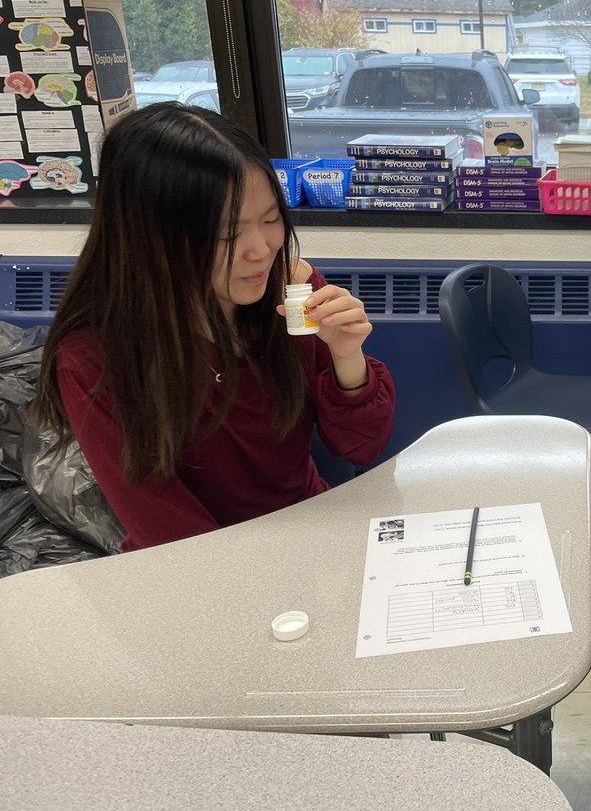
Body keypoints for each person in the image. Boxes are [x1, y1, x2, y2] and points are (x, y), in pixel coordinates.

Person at [31, 103, 397, 552]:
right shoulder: (96, 359)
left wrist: (348, 359)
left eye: (270, 219)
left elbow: (361, 449)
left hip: (308, 533)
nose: (261, 250)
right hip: (199, 568)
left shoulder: (291, 289)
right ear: (150, 237)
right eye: (228, 235)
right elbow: (171, 533)